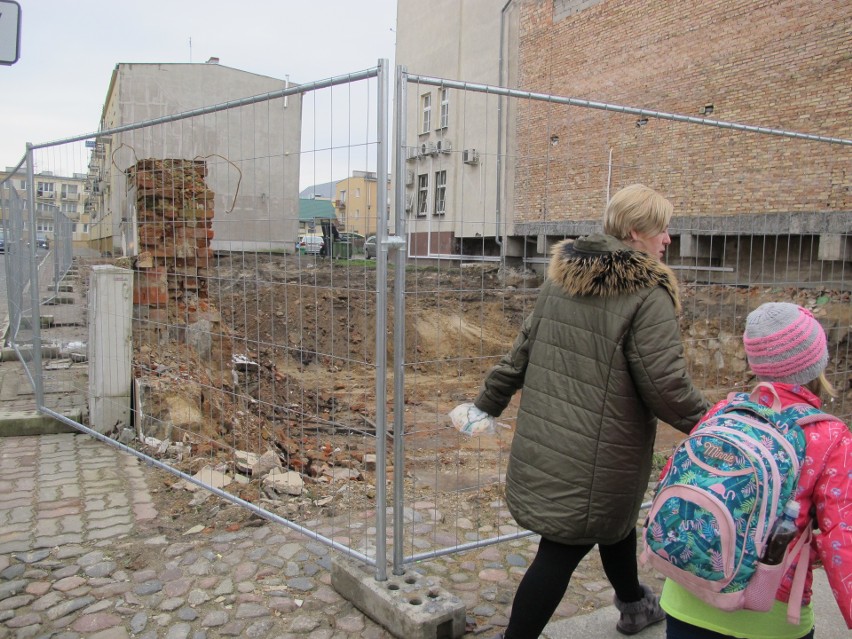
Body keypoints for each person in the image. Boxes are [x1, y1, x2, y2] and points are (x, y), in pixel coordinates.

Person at [468, 183, 711, 638]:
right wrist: (719, 425)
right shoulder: (647, 293)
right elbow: (666, 386)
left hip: (551, 447)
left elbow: (521, 351)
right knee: (559, 550)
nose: (668, 239)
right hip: (598, 457)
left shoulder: (563, 277)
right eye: (663, 229)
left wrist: (487, 403)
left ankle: (636, 605)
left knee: (615, 525)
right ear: (637, 232)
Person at [661, 302, 852, 639]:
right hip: (769, 613)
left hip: (687, 597)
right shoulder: (830, 436)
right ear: (816, 362)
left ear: (755, 361)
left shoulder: (724, 410)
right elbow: (843, 539)